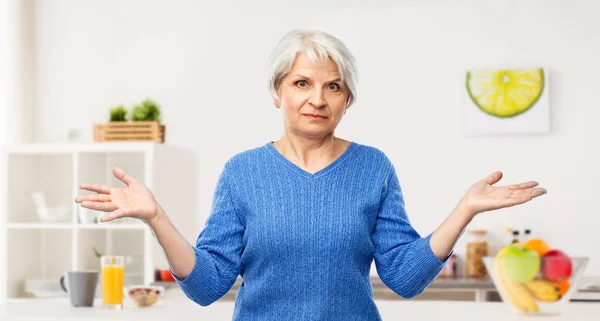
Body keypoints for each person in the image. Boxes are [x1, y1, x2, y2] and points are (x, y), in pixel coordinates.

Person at [75, 29, 547, 320]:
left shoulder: (373, 167)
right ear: (277, 93)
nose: (317, 99)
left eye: (333, 87)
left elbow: (404, 277)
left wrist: (464, 209)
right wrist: (156, 217)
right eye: (301, 83)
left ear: (348, 99)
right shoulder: (243, 173)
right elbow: (206, 287)